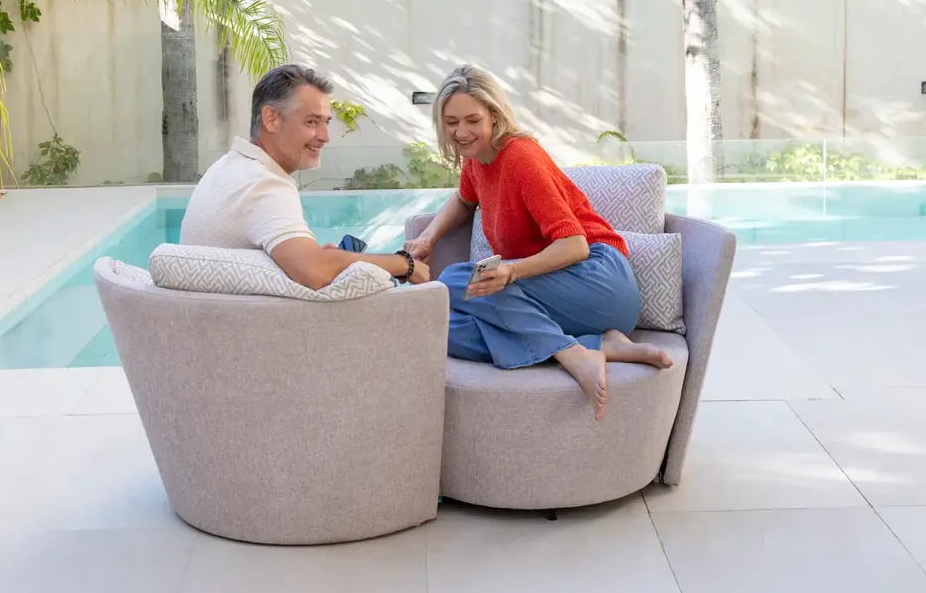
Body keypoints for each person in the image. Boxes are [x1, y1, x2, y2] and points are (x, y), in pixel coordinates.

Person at [404, 64, 671, 421]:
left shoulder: (520, 157)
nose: (461, 132)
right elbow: (465, 201)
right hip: (564, 301)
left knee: (454, 279)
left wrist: (511, 272)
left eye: (472, 120)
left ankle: (574, 355)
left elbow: (575, 246)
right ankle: (600, 345)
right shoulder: (476, 160)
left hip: (598, 279)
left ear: (494, 116)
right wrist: (427, 237)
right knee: (444, 326)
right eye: (451, 122)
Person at [180, 64, 428, 289]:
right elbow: (315, 273)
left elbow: (301, 265)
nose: (325, 136)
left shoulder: (227, 168)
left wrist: (332, 259)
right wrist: (403, 264)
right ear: (271, 119)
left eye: (326, 122)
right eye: (311, 122)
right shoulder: (263, 184)